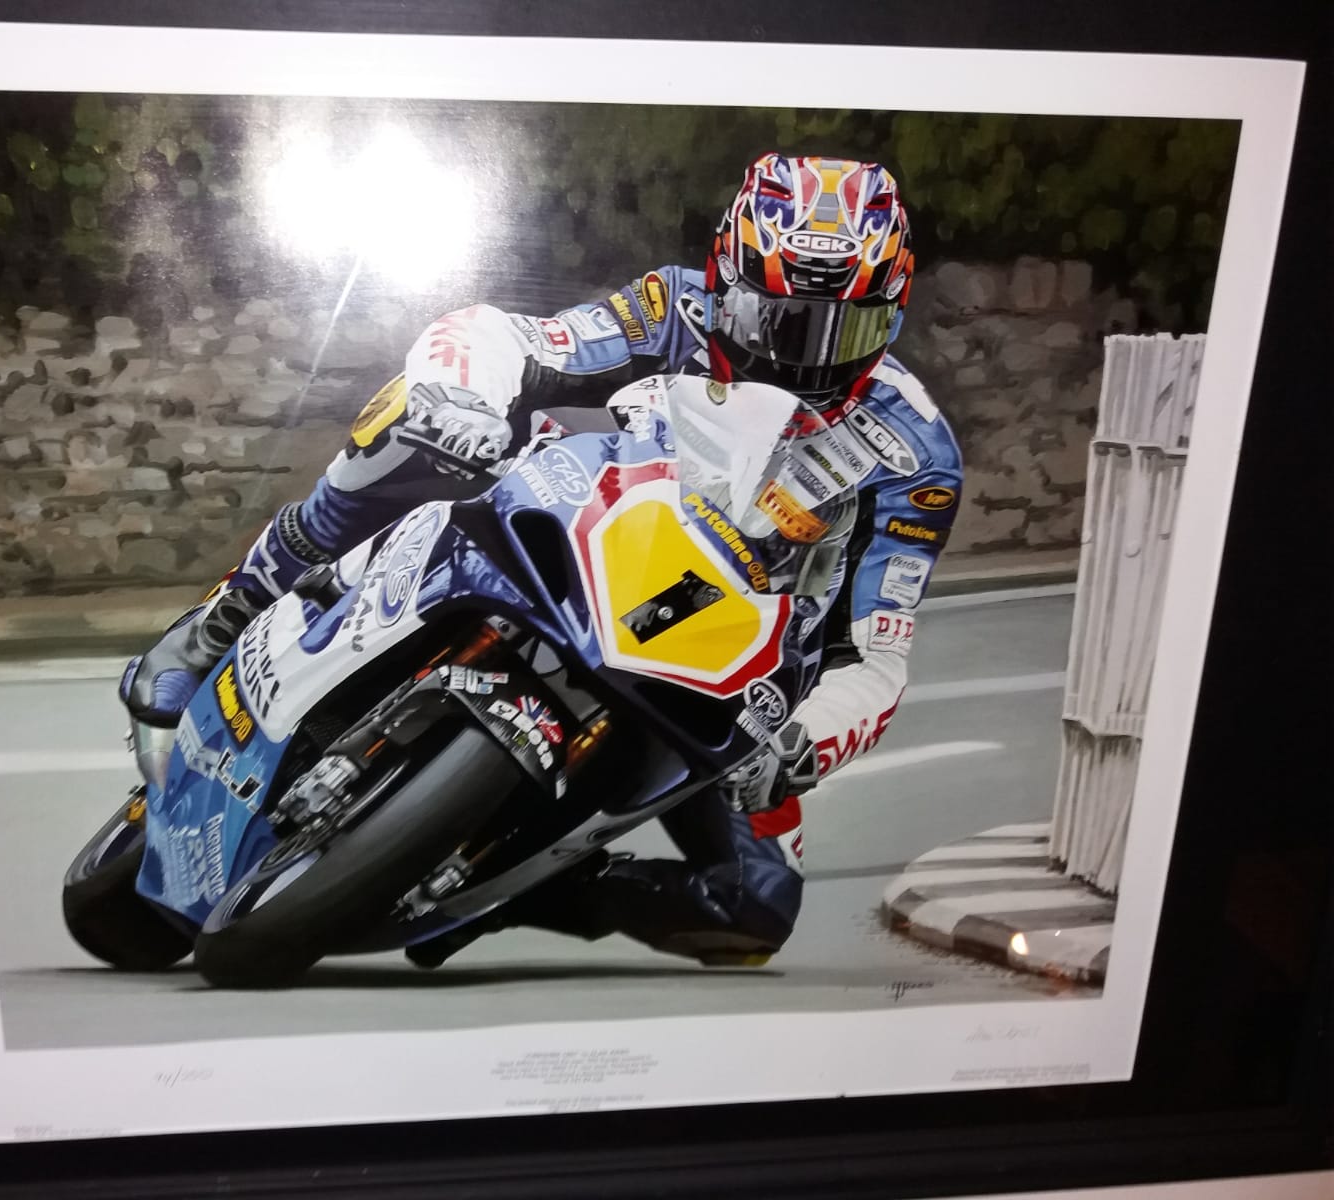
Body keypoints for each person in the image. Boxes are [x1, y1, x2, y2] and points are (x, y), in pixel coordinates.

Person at [118, 153, 964, 968]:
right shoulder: (675, 307)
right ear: (726, 277)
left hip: (723, 657)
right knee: (407, 423)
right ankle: (232, 610)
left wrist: (807, 743)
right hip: (587, 525)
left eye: (847, 327)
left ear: (892, 313)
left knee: (754, 912)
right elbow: (512, 338)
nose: (808, 356)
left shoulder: (915, 452)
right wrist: (463, 398)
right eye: (778, 320)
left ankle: (513, 887)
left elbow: (877, 650)